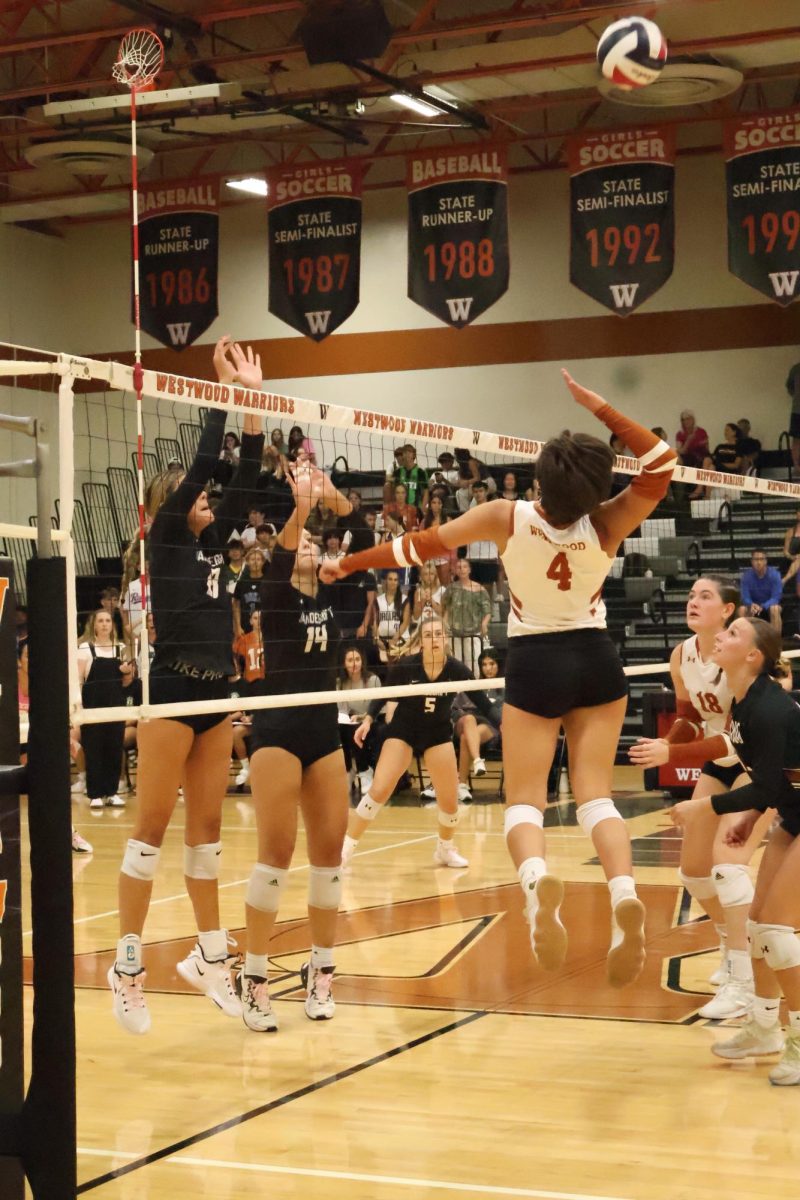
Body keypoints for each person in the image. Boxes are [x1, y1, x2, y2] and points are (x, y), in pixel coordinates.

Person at [322, 369, 677, 986]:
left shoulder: (505, 516)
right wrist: (600, 406)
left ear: (539, 481)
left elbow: (417, 547)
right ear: (596, 487)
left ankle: (537, 887)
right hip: (595, 656)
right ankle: (624, 891)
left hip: (536, 660)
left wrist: (348, 562)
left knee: (525, 800)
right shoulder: (609, 520)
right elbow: (662, 463)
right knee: (596, 794)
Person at [108, 336, 264, 1035]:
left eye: (205, 496)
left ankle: (209, 958)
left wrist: (252, 403)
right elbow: (206, 462)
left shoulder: (212, 547)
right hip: (171, 692)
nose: (206, 496)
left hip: (215, 697)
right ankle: (127, 969)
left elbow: (246, 477)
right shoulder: (167, 538)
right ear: (170, 503)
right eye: (196, 493)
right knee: (149, 835)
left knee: (206, 838)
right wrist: (218, 393)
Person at [236, 463, 351, 1032]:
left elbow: (364, 538)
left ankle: (321, 969)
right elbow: (283, 553)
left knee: (329, 857)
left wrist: (333, 496)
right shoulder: (277, 596)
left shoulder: (334, 593)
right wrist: (302, 506)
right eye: (302, 541)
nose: (307, 545)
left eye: (311, 542)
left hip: (323, 734)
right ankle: (254, 977)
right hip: (277, 731)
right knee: (276, 856)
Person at [629, 576, 774, 1019]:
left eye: (704, 596)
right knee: (693, 871)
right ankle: (733, 945)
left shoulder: (739, 658)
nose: (692, 601)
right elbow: (691, 718)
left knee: (728, 865)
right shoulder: (682, 655)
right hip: (721, 758)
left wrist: (671, 753)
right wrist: (668, 741)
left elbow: (734, 738)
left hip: (759, 766)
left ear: (728, 611)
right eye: (691, 595)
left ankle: (744, 981)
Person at [669, 619, 800, 1085]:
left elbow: (765, 785)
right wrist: (749, 817)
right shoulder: (742, 703)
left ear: (752, 656)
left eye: (733, 634)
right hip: (794, 812)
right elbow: (772, 782)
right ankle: (763, 1028)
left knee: (778, 931)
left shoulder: (769, 709)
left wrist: (704, 807)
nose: (721, 636)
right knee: (760, 927)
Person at [341, 615, 497, 871]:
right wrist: (368, 719)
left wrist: (505, 722)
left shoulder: (457, 670)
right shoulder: (407, 666)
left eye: (438, 634)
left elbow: (484, 704)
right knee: (379, 789)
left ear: (445, 638)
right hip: (403, 731)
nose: (433, 639)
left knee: (450, 801)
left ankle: (444, 849)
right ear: (421, 641)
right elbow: (384, 693)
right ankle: (345, 850)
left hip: (437, 734)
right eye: (427, 635)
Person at [77, 609, 130, 811]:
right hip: (92, 707)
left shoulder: (121, 648)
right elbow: (79, 680)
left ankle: (112, 792)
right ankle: (95, 794)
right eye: (101, 621)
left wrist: (127, 673)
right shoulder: (85, 648)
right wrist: (78, 707)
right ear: (94, 625)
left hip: (116, 707)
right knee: (94, 749)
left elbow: (126, 683)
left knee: (114, 749)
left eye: (108, 620)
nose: (105, 624)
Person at [443, 647, 504, 804]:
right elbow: (455, 708)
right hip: (465, 722)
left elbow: (501, 716)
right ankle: (476, 762)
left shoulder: (504, 686)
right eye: (484, 664)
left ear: (499, 665)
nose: (488, 668)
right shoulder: (473, 685)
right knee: (468, 725)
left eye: (492, 664)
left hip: (489, 727)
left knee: (467, 736)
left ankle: (462, 784)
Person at [337, 647, 381, 794]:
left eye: (357, 659)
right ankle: (348, 770)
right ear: (344, 664)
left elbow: (379, 708)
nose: (354, 663)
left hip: (371, 722)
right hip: (350, 722)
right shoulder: (340, 683)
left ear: (362, 661)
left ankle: (365, 770)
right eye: (350, 660)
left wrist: (362, 717)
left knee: (354, 729)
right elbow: (341, 709)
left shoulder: (373, 680)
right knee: (340, 729)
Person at [443, 558, 490, 677]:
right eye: (459, 567)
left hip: (473, 633)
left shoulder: (479, 589)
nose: (462, 569)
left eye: (465, 567)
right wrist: (445, 624)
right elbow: (445, 607)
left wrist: (484, 624)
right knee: (455, 664)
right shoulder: (451, 588)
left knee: (474, 664)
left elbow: (487, 611)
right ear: (456, 571)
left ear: (469, 569)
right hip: (454, 633)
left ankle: (475, 686)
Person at [374, 569, 411, 666]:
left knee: (400, 665)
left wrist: (394, 639)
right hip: (382, 640)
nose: (393, 582)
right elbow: (374, 623)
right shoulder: (378, 600)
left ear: (398, 582)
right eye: (390, 579)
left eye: (395, 580)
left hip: (400, 639)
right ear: (385, 581)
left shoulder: (404, 599)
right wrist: (377, 640)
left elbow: (405, 622)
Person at [740, 549, 783, 633]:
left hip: (769, 606)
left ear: (766, 561)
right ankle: (744, 638)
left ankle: (775, 639)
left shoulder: (775, 575)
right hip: (753, 606)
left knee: (775, 609)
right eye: (756, 559)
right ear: (752, 561)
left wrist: (763, 606)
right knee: (742, 609)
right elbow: (745, 596)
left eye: (761, 559)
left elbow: (776, 597)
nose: (759, 562)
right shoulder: (746, 576)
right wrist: (751, 604)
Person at [233, 546, 265, 637]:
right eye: (252, 559)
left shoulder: (268, 582)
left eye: (258, 559)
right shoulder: (242, 582)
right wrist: (237, 626)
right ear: (247, 562)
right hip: (245, 629)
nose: (255, 562)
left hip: (264, 629)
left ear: (263, 562)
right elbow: (236, 604)